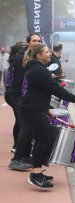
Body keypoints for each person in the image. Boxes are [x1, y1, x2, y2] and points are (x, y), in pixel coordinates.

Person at [20, 43, 75, 189]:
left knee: (46, 136)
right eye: (47, 52)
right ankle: (35, 175)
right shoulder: (39, 70)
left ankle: (38, 171)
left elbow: (36, 92)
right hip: (32, 110)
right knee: (43, 139)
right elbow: (56, 89)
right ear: (39, 55)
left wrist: (47, 109)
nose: (50, 54)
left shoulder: (36, 69)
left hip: (34, 109)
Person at [7, 33, 42, 170]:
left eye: (39, 40)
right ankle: (16, 159)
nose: (36, 42)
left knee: (26, 125)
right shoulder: (23, 58)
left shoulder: (31, 57)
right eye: (34, 40)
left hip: (22, 96)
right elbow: (23, 81)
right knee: (26, 126)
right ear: (29, 43)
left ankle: (26, 156)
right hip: (16, 95)